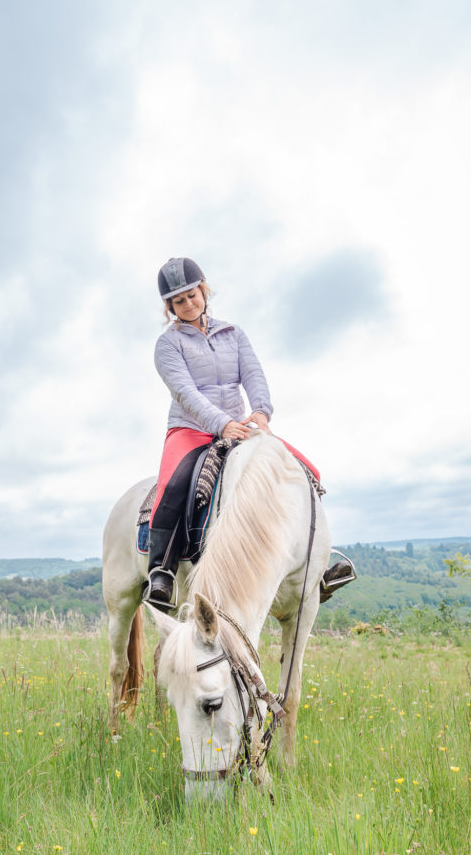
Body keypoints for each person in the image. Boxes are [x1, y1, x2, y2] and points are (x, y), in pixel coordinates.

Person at [143, 256, 353, 609]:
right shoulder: (167, 345)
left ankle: (318, 562)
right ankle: (160, 570)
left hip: (241, 426)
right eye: (179, 301)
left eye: (192, 295)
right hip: (191, 428)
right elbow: (185, 393)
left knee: (305, 471)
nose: (188, 304)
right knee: (172, 486)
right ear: (170, 307)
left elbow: (253, 374)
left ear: (204, 290)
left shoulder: (234, 333)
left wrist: (261, 412)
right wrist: (220, 424)